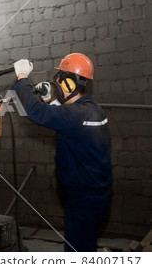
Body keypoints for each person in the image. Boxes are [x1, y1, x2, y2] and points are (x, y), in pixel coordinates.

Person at [12, 54, 113, 252]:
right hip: (98, 196)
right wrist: (52, 101)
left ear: (69, 83)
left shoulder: (74, 115)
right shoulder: (94, 111)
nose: (56, 83)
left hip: (83, 201)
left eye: (59, 78)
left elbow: (35, 112)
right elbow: (71, 125)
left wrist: (22, 78)